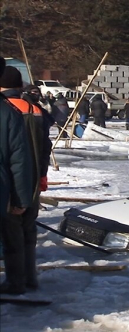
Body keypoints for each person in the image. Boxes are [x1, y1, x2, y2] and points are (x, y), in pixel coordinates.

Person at [0, 64, 49, 294]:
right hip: (34, 178)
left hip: (13, 180)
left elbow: (15, 154)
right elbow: (46, 146)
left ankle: (15, 281)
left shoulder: (8, 109)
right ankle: (31, 277)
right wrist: (42, 175)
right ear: (19, 85)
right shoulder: (36, 109)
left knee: (12, 234)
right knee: (29, 231)